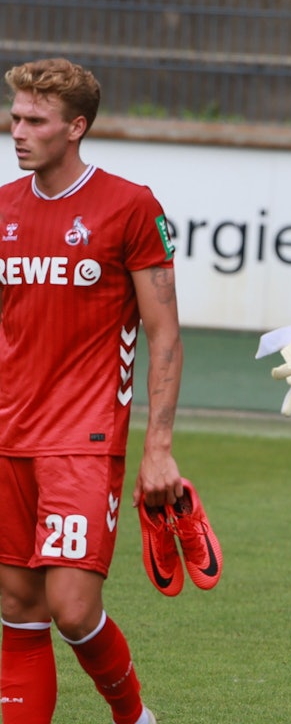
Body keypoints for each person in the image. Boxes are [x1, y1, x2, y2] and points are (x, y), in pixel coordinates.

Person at [0, 58, 183, 724]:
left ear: (75, 127)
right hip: (7, 438)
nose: (18, 130)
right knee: (18, 611)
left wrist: (157, 447)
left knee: (72, 609)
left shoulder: (129, 206)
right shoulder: (2, 208)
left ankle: (134, 718)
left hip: (83, 440)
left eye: (35, 121)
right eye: (16, 116)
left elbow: (164, 334)